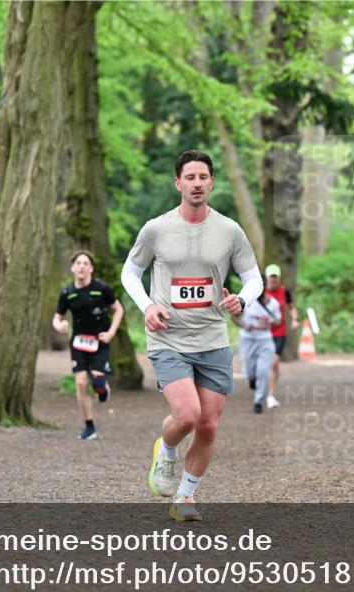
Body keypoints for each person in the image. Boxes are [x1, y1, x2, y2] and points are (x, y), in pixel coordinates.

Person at [121, 149, 263, 522]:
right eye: (190, 177)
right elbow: (130, 272)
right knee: (186, 415)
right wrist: (148, 307)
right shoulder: (156, 228)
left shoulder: (229, 230)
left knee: (208, 424)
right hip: (169, 337)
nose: (197, 183)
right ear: (178, 183)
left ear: (211, 182)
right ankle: (166, 451)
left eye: (203, 177)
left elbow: (253, 278)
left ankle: (184, 498)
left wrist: (242, 301)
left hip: (213, 338)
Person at [52, 250, 124, 440]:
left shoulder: (102, 289)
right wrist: (60, 325)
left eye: (85, 263)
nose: (82, 266)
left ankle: (102, 388)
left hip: (99, 341)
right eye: (78, 263)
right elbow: (57, 318)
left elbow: (118, 310)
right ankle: (89, 426)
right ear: (73, 268)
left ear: (91, 268)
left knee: (98, 381)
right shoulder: (67, 293)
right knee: (81, 383)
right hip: (78, 342)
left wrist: (111, 333)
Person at [233, 291, 282, 413]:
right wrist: (244, 325)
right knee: (249, 372)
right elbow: (234, 317)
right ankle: (252, 379)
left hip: (265, 340)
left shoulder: (273, 303)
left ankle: (258, 401)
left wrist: (269, 321)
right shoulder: (245, 300)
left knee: (263, 371)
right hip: (247, 339)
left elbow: (278, 321)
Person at [263, 264, 298, 408]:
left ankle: (270, 396)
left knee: (274, 363)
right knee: (263, 365)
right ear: (266, 277)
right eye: (271, 277)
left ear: (279, 277)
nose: (273, 280)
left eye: (275, 277)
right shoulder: (259, 291)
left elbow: (291, 307)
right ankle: (259, 385)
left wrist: (295, 319)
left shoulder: (285, 291)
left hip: (279, 333)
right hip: (261, 333)